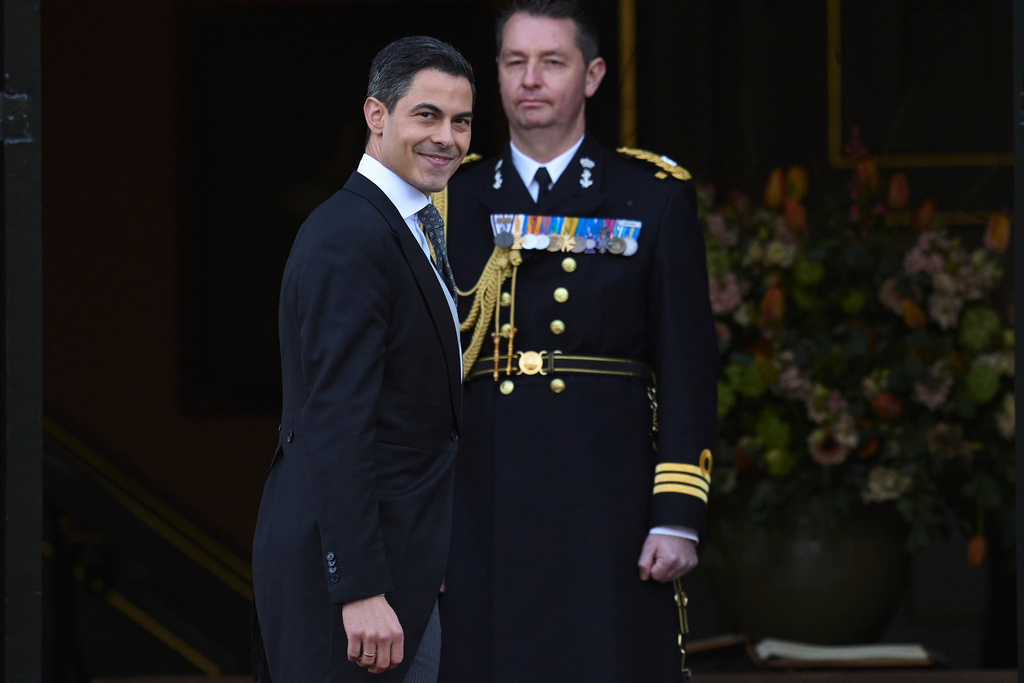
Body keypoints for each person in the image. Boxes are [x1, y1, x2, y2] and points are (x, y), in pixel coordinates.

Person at [437, 1, 718, 681]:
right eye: (514, 62)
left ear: (591, 76)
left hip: (604, 505)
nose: (530, 79)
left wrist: (678, 511)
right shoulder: (450, 197)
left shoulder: (649, 196)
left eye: (552, 62)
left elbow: (688, 364)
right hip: (479, 504)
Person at [251, 36, 474, 683]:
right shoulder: (352, 235)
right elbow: (336, 422)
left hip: (402, 564)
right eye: (426, 115)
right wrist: (357, 585)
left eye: (461, 121)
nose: (448, 138)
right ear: (377, 116)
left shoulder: (403, 224)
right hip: (353, 582)